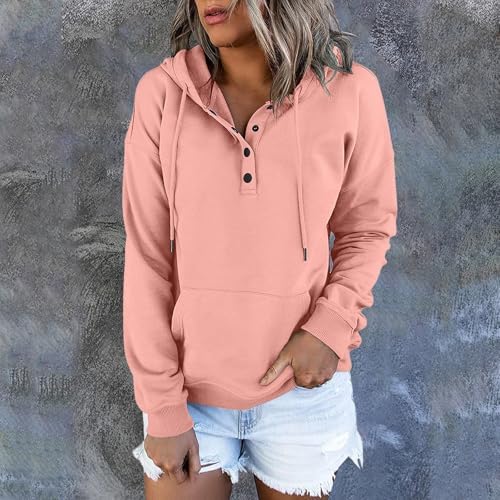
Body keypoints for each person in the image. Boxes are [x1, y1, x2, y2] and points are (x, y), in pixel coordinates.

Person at [121, 0, 398, 498]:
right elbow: (146, 257)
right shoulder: (162, 95)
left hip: (302, 386)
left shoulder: (351, 91)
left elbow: (367, 227)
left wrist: (331, 326)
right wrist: (162, 403)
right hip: (188, 392)